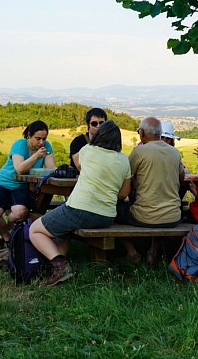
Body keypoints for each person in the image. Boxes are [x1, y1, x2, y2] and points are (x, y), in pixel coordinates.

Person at [29, 120, 131, 286]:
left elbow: (76, 162)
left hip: (79, 209)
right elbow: (124, 193)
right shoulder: (124, 160)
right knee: (63, 229)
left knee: (35, 230)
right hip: (106, 217)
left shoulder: (88, 150)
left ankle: (60, 265)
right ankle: (55, 264)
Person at [118, 117, 182, 264]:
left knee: (112, 212)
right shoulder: (174, 153)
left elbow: (124, 176)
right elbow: (181, 177)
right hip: (173, 216)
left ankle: (131, 252)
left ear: (142, 133)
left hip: (145, 216)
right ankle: (152, 251)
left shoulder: (139, 151)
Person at [0, 120, 56, 249]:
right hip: (3, 183)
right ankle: (7, 238)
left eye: (44, 139)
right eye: (37, 138)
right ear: (29, 136)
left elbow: (51, 168)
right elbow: (19, 169)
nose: (41, 142)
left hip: (22, 186)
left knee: (20, 212)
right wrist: (36, 157)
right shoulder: (19, 144)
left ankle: (3, 237)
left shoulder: (47, 146)